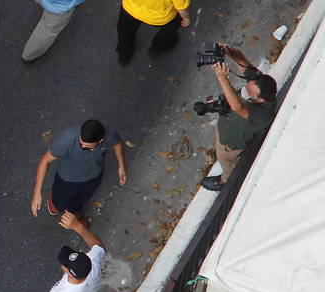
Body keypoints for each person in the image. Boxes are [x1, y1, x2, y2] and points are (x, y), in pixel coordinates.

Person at [201, 45, 278, 191]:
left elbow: (238, 107)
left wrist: (222, 78)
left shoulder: (263, 115)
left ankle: (225, 181)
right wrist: (229, 51)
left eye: (249, 92)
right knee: (219, 140)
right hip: (225, 125)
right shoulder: (259, 82)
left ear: (260, 100)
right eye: (248, 85)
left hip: (231, 144)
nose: (245, 90)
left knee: (226, 162)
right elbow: (242, 61)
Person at [30, 119, 126, 223]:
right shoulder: (67, 138)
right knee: (59, 204)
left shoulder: (109, 135)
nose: (82, 146)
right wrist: (37, 192)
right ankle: (54, 200)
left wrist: (121, 166)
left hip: (93, 178)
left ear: (100, 140)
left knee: (81, 200)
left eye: (88, 146)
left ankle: (74, 212)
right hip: (67, 180)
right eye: (81, 143)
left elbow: (117, 144)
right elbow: (45, 160)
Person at [116, 0, 190, 66]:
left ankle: (124, 55)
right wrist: (186, 18)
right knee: (173, 25)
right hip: (160, 17)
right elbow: (181, 9)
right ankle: (157, 48)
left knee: (125, 30)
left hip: (130, 9)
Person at [21, 0, 86, 63]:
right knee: (48, 30)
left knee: (47, 5)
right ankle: (29, 55)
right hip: (59, 5)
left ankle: (46, 5)